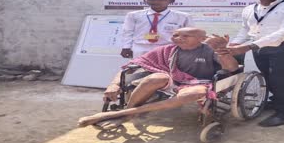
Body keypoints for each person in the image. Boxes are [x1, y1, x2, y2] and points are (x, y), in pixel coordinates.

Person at [78, 27, 238, 129]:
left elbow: (232, 68)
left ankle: (125, 113)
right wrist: (113, 85)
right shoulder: (166, 50)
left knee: (190, 94)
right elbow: (130, 66)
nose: (178, 38)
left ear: (201, 39)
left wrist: (223, 50)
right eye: (176, 35)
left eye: (186, 36)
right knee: (154, 78)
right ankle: (128, 112)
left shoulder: (210, 50)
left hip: (201, 82)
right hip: (173, 79)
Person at [120, 0, 194, 58]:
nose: (156, 2)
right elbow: (127, 32)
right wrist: (126, 47)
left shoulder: (183, 16)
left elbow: (190, 34)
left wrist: (188, 50)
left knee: (166, 71)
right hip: (140, 49)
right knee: (139, 71)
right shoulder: (133, 15)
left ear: (171, 1)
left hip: (168, 49)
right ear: (145, 1)